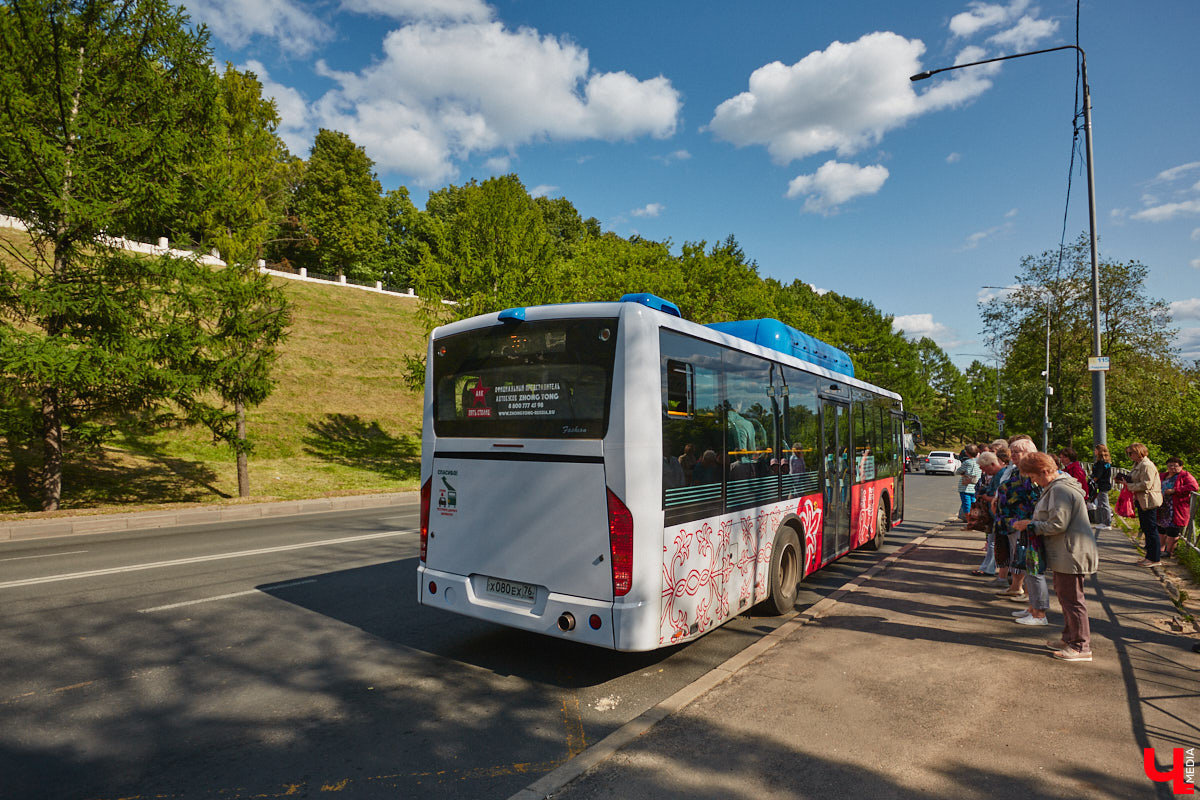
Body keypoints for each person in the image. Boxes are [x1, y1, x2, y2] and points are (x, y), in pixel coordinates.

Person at [1013, 451, 1099, 661]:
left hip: (1070, 553)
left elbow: (1058, 524)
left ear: (1043, 471)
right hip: (1068, 552)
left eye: (1033, 477)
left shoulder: (1059, 489)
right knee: (1066, 597)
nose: (1033, 482)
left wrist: (1030, 525)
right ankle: (1070, 638)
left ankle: (1080, 646)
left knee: (1072, 600)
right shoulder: (1059, 486)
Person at [995, 436, 1039, 602]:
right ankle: (1017, 588)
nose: (1013, 455)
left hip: (1023, 522)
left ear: (1028, 452)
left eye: (1017, 452)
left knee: (1027, 557)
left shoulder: (1031, 472)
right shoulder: (1015, 470)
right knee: (1016, 554)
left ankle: (1030, 596)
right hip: (1010, 522)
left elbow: (1034, 499)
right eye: (1012, 452)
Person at [1118, 443, 1163, 567]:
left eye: (1131, 453)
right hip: (1142, 500)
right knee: (1147, 528)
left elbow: (1146, 484)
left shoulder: (1147, 465)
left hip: (1149, 500)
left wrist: (1129, 485)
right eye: (1128, 453)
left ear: (1138, 452)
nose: (1129, 456)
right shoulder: (1138, 464)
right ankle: (1149, 556)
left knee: (1151, 529)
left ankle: (1154, 558)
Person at [1158, 457, 1199, 557]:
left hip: (1176, 507)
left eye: (1175, 466)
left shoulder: (1185, 475)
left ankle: (1169, 552)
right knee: (1160, 527)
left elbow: (1194, 487)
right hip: (1163, 506)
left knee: (1173, 529)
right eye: (1170, 465)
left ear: (1181, 466)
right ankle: (1159, 549)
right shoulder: (1163, 475)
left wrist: (1175, 490)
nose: (1172, 467)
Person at [1090, 444, 1114, 530]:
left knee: (1104, 504)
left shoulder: (1100, 463)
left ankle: (1107, 523)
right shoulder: (1106, 463)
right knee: (1101, 503)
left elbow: (1098, 475)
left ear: (1099, 451)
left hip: (1102, 485)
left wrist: (1092, 480)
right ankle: (1104, 522)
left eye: (1096, 450)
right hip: (1105, 485)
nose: (1094, 452)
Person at [956, 444, 981, 521]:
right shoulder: (979, 462)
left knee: (966, 506)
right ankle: (974, 521)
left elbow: (958, 471)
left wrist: (962, 473)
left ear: (967, 453)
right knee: (973, 505)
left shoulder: (967, 462)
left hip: (965, 488)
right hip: (975, 487)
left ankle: (969, 522)